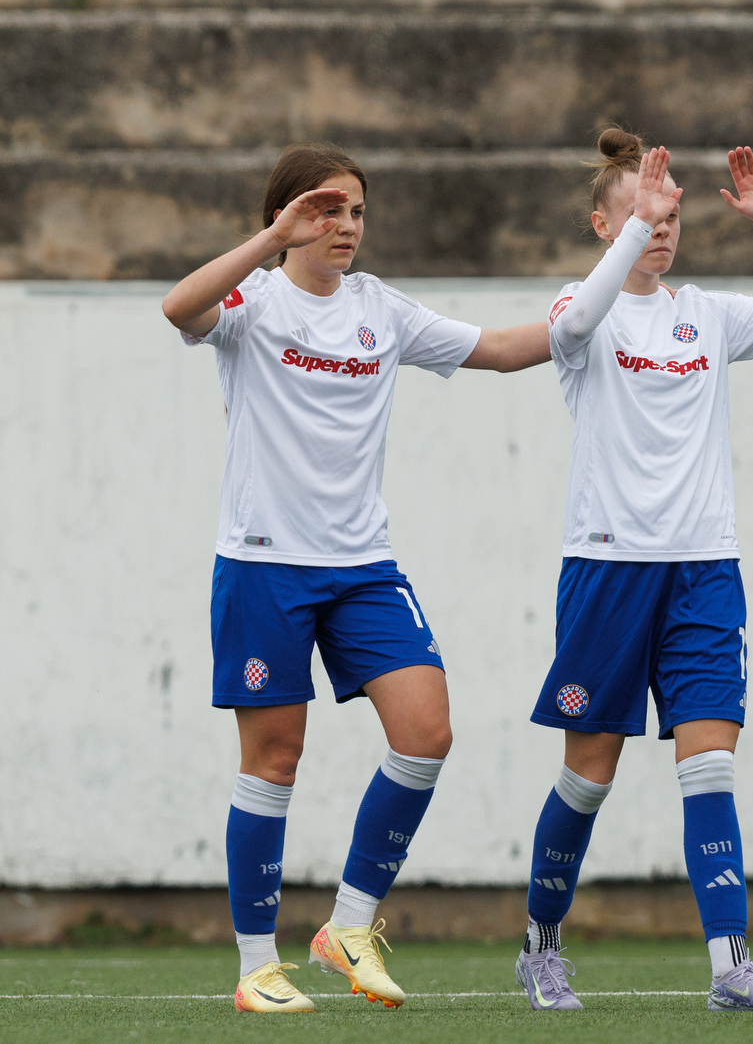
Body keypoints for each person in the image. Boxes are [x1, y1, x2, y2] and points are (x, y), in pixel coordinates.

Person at [160, 142, 553, 1014]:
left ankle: (348, 925)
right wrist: (269, 241)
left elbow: (499, 348)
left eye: (357, 213)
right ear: (289, 216)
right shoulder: (252, 302)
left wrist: (603, 282)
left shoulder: (381, 309)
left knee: (427, 730)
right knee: (274, 756)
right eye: (327, 211)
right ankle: (256, 965)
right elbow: (177, 307)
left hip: (363, 567)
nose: (345, 227)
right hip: (264, 565)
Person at [514, 132, 753, 1015]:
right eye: (640, 212)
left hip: (705, 575)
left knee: (710, 768)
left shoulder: (706, 314)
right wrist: (635, 231)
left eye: (669, 213)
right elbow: (576, 324)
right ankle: (541, 944)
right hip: (607, 573)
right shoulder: (578, 312)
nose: (661, 226)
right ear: (603, 223)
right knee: (588, 777)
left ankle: (730, 967)